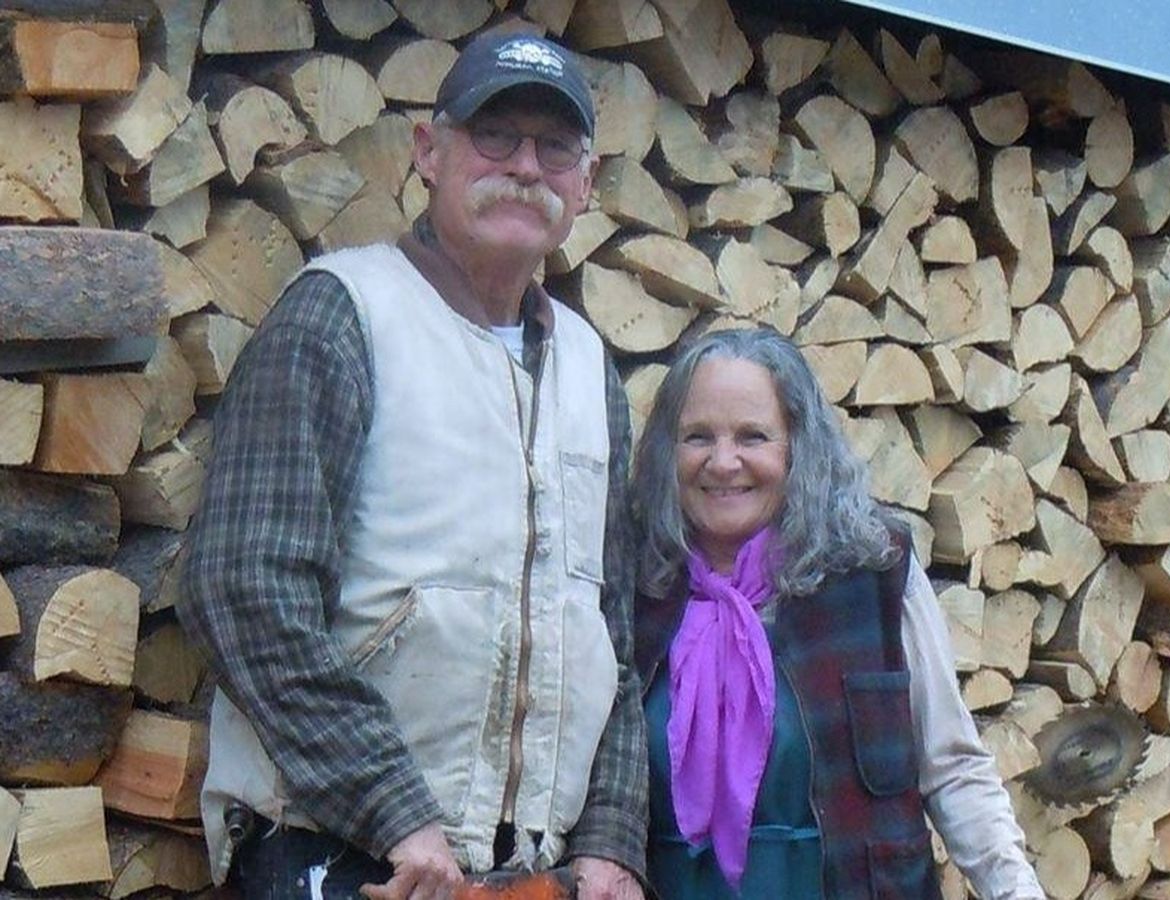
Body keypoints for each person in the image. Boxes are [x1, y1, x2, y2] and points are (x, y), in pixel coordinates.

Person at [177, 31, 646, 900]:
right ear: (429, 152)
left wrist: (612, 839)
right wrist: (393, 809)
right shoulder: (341, 315)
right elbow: (242, 587)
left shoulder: (590, 367)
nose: (526, 167)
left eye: (555, 148)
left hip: (528, 874)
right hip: (342, 853)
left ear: (586, 182)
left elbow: (611, 631)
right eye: (494, 136)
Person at [630, 328, 1046, 900]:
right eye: (697, 436)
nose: (723, 462)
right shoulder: (635, 589)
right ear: (666, 451)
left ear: (798, 448)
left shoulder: (875, 574)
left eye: (753, 436)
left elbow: (950, 767)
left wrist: (1016, 890)